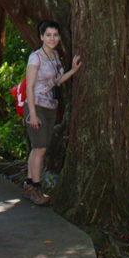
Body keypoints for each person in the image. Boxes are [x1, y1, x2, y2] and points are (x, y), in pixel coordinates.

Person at [23, 20, 81, 206]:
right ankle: (37, 188)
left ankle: (30, 184)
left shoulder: (55, 56)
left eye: (55, 35)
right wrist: (32, 114)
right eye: (48, 35)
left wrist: (73, 70)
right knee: (40, 149)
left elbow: (56, 81)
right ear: (41, 37)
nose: (52, 38)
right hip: (37, 106)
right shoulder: (36, 58)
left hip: (50, 108)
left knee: (38, 148)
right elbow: (30, 88)